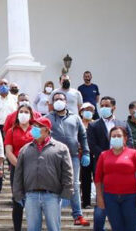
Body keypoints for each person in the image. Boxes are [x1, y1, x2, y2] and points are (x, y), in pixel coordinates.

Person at [13, 116, 74, 231]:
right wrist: (18, 194)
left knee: (54, 228)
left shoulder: (61, 148)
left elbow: (68, 173)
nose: (33, 129)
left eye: (37, 127)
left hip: (52, 196)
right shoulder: (25, 149)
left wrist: (67, 192)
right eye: (33, 126)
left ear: (46, 130)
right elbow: (18, 175)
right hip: (31, 196)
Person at [87, 96, 134, 231]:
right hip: (102, 167)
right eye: (102, 105)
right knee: (101, 203)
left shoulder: (123, 124)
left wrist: (123, 156)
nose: (104, 108)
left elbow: (130, 142)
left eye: (107, 105)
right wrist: (107, 157)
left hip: (123, 169)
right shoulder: (93, 125)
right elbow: (92, 144)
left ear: (114, 107)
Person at [45, 91, 90, 226]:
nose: (59, 101)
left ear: (66, 101)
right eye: (56, 99)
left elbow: (83, 135)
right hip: (53, 157)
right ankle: (54, 216)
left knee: (75, 185)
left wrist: (86, 152)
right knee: (54, 185)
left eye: (61, 98)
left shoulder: (75, 118)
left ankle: (78, 215)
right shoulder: (47, 118)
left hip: (73, 156)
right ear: (52, 103)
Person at [95, 126, 136, 231]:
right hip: (110, 198)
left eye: (119, 136)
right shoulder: (103, 155)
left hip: (131, 198)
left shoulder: (133, 153)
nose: (116, 138)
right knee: (117, 227)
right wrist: (100, 197)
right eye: (113, 136)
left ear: (125, 138)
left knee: (132, 228)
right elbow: (98, 178)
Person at [4, 102, 35, 231]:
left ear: (31, 115)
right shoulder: (11, 130)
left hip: (34, 169)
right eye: (21, 112)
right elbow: (8, 151)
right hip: (16, 169)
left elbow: (40, 147)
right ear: (17, 115)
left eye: (26, 112)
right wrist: (19, 165)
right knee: (17, 200)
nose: (23, 114)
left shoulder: (36, 130)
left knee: (32, 200)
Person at [79, 103, 96, 209]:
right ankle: (86, 202)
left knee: (97, 177)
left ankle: (100, 199)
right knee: (85, 178)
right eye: (86, 110)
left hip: (94, 154)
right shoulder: (78, 123)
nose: (88, 112)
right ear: (81, 112)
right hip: (82, 154)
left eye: (90, 110)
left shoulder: (96, 124)